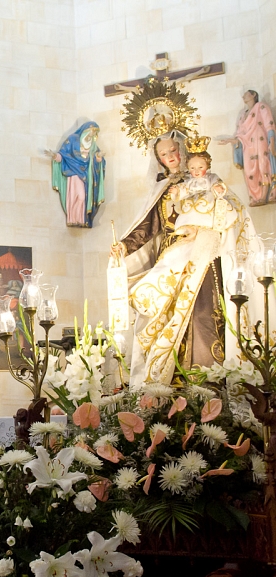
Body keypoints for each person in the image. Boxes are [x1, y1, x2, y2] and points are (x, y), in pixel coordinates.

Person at [110, 132, 257, 386]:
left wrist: (203, 226)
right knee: (165, 317)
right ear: (158, 159)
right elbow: (148, 226)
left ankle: (205, 380)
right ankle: (170, 381)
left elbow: (228, 208)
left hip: (202, 258)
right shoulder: (163, 189)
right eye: (164, 154)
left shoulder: (205, 179)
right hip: (169, 258)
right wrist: (123, 246)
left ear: (184, 151)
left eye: (174, 150)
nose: (171, 157)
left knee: (201, 315)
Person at [219, 90, 276, 206]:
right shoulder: (243, 115)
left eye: (246, 94)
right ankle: (256, 196)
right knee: (249, 172)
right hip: (247, 146)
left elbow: (269, 125)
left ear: (254, 95)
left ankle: (265, 195)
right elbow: (240, 134)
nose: (243, 96)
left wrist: (272, 142)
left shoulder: (261, 107)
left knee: (263, 166)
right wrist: (230, 140)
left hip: (261, 142)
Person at [50, 121, 106, 228]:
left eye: (94, 132)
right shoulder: (73, 139)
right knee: (77, 197)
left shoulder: (93, 145)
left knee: (82, 197)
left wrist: (98, 158)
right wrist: (55, 156)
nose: (92, 134)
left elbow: (97, 160)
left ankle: (81, 219)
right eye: (91, 131)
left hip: (86, 176)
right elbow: (64, 155)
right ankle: (73, 218)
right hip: (74, 173)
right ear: (85, 130)